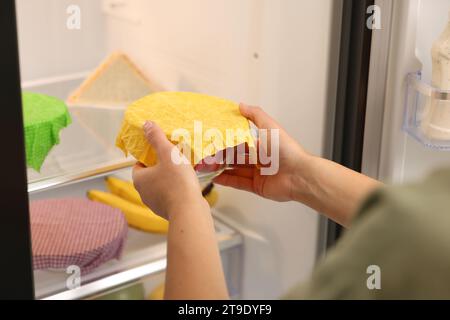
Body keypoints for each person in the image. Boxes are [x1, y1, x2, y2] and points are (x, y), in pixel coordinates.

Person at [133, 104, 450, 300]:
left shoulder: (422, 248)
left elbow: (416, 233)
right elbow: (410, 224)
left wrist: (185, 204)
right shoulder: (421, 233)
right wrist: (300, 175)